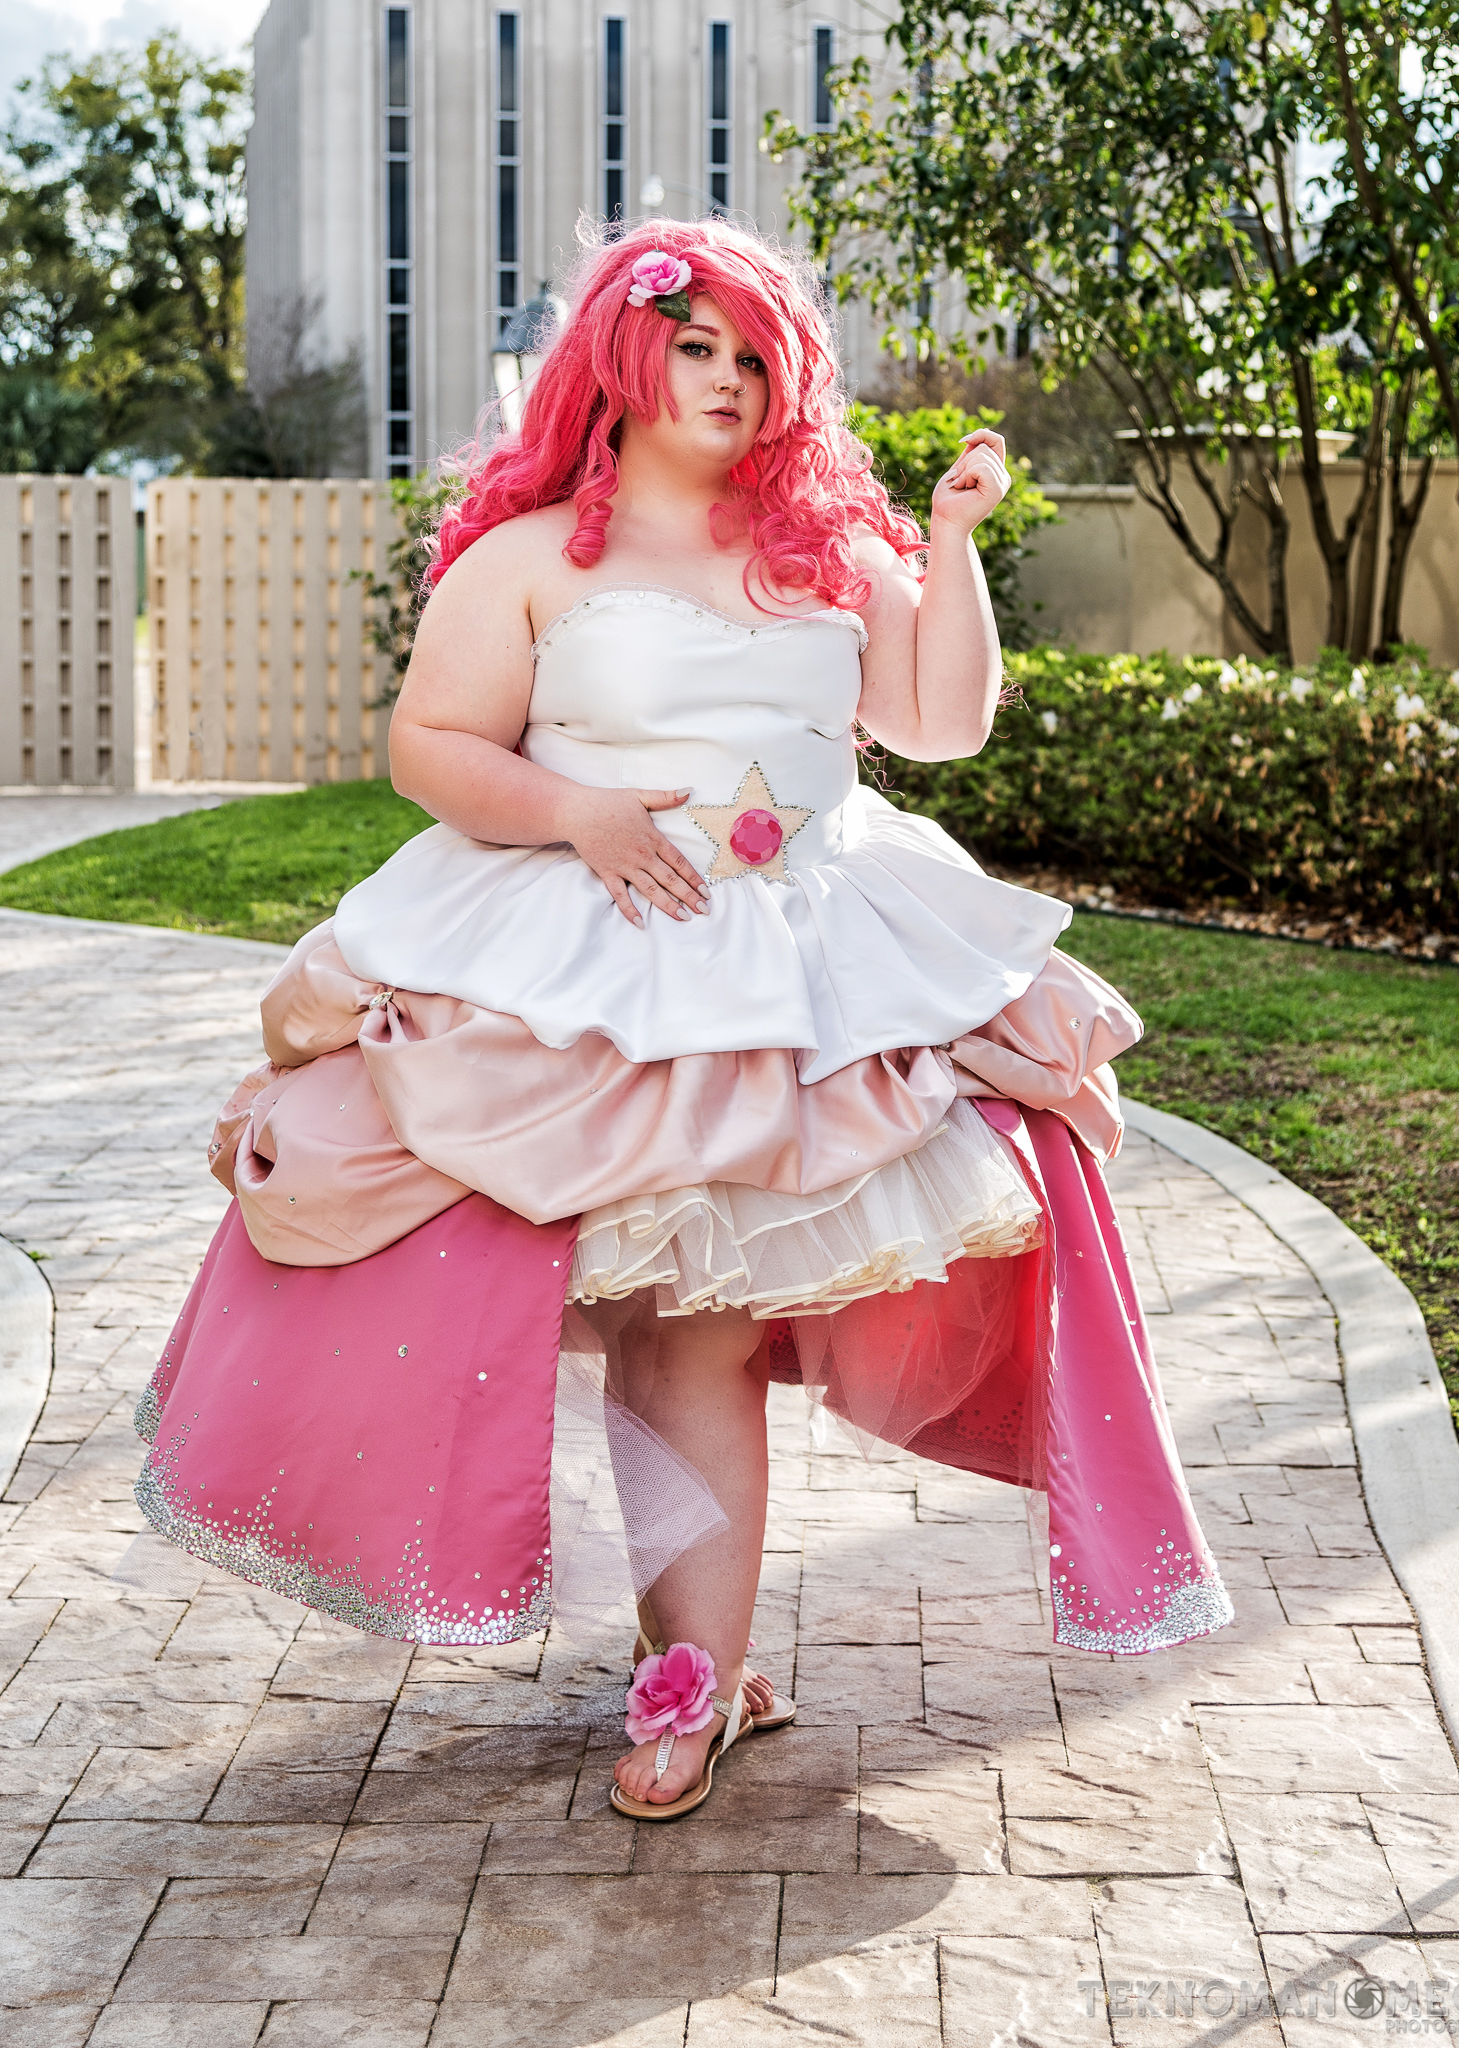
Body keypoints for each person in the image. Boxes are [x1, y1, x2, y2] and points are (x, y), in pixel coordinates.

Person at [131, 218, 1232, 1825]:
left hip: (805, 974)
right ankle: (689, 1660)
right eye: (695, 347)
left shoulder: (825, 550)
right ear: (626, 361)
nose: (727, 380)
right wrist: (576, 814)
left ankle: (695, 1679)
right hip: (595, 959)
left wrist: (947, 541)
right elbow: (433, 745)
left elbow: (939, 723)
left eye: (753, 356)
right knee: (639, 1318)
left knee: (699, 1326)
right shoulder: (528, 557)